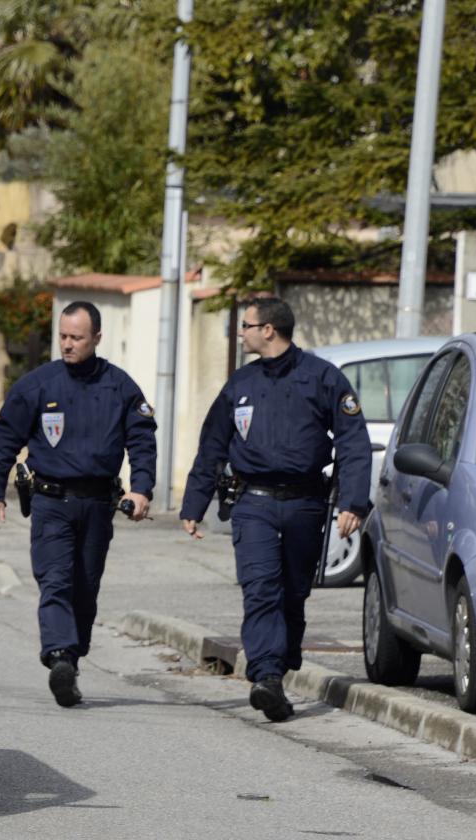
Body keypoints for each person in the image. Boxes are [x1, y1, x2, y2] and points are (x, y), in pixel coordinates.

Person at [179, 297, 371, 722]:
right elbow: (212, 444)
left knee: (293, 594)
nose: (240, 332)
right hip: (254, 504)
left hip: (305, 503)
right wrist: (194, 503)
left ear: (269, 330)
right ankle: (266, 676)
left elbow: (353, 440)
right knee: (261, 587)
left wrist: (353, 502)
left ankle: (277, 675)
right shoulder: (240, 384)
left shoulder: (322, 377)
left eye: (245, 325)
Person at [0, 301, 157, 707]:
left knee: (85, 588)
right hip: (51, 502)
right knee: (56, 580)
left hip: (98, 503)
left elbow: (142, 440)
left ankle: (70, 662)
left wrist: (142, 488)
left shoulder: (120, 387)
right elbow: (6, 440)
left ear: (97, 337)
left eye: (76, 337)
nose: (67, 344)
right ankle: (60, 654)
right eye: (62, 336)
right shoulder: (37, 385)